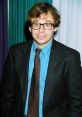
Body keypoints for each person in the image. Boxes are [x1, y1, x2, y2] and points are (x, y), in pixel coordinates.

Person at [0, 2, 82, 117]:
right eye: (36, 24)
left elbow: (76, 103)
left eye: (47, 24)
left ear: (55, 28)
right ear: (30, 27)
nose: (41, 30)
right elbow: (6, 95)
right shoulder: (15, 52)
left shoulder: (70, 57)